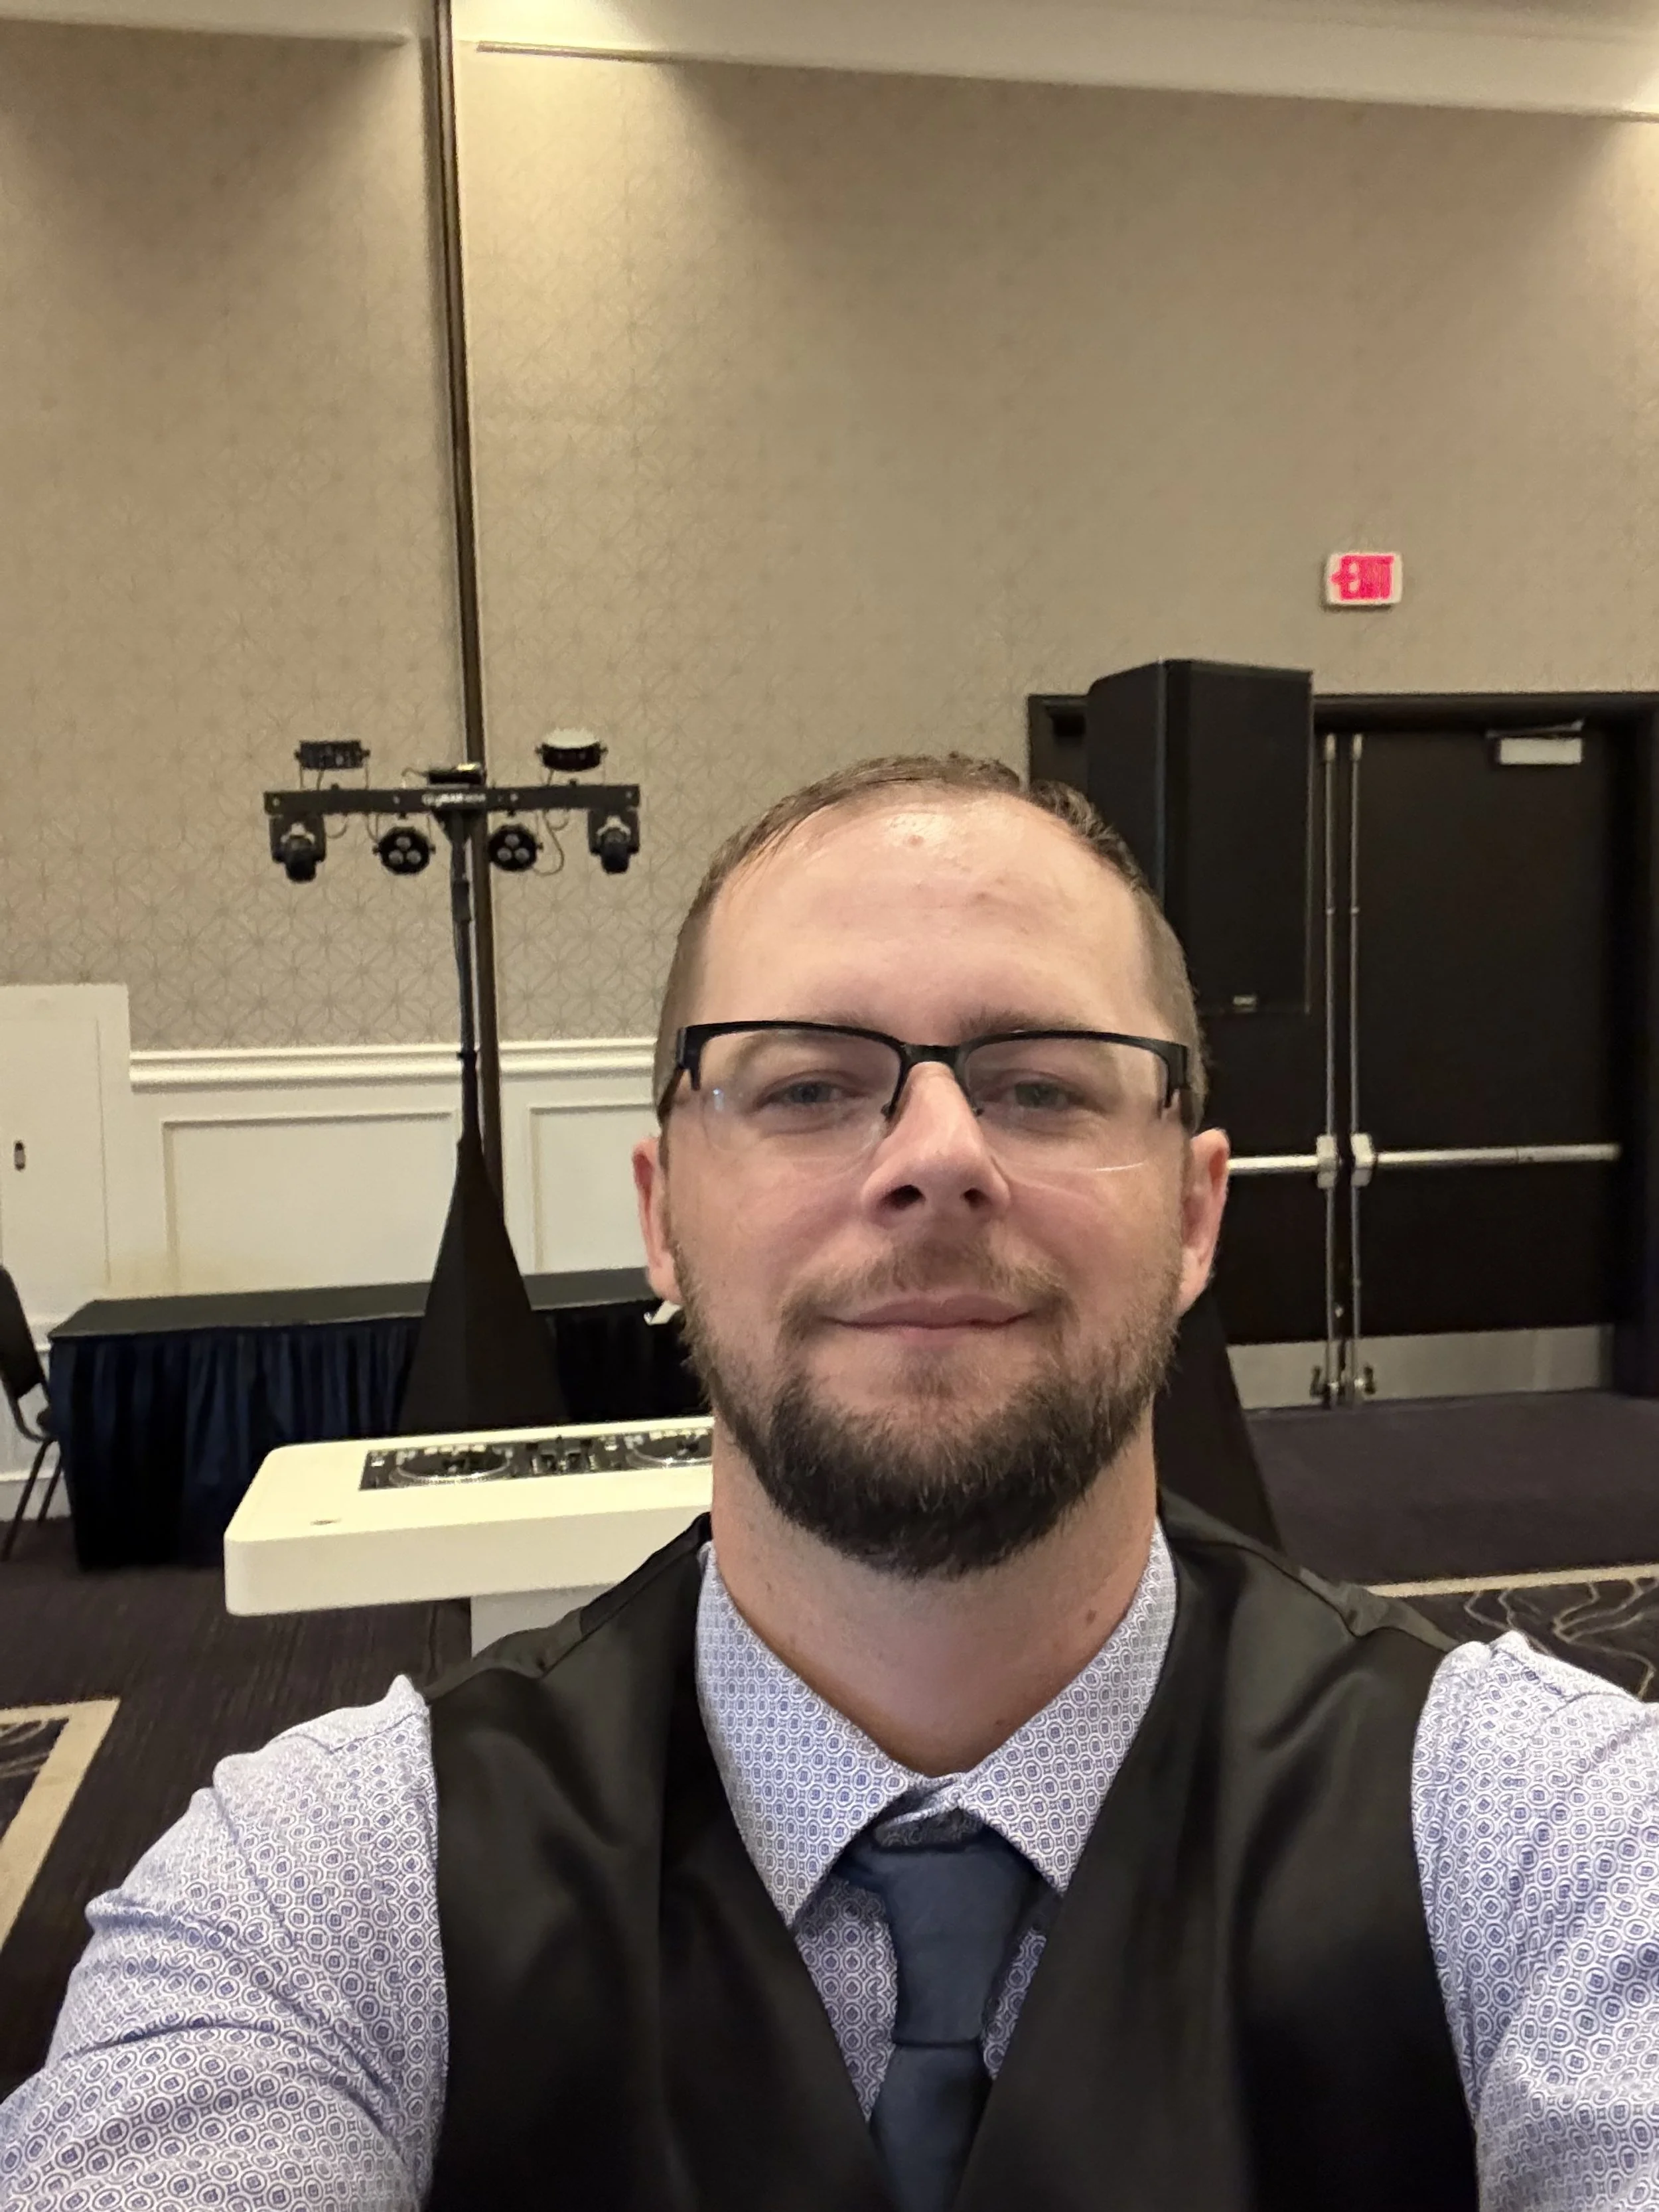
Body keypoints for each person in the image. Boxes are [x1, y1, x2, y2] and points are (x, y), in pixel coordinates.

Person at [4, 753, 1659, 2212]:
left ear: (1194, 1215)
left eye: (1038, 1079)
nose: (936, 1151)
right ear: (660, 1218)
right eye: (804, 1085)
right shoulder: (324, 1883)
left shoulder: (1544, 1831)